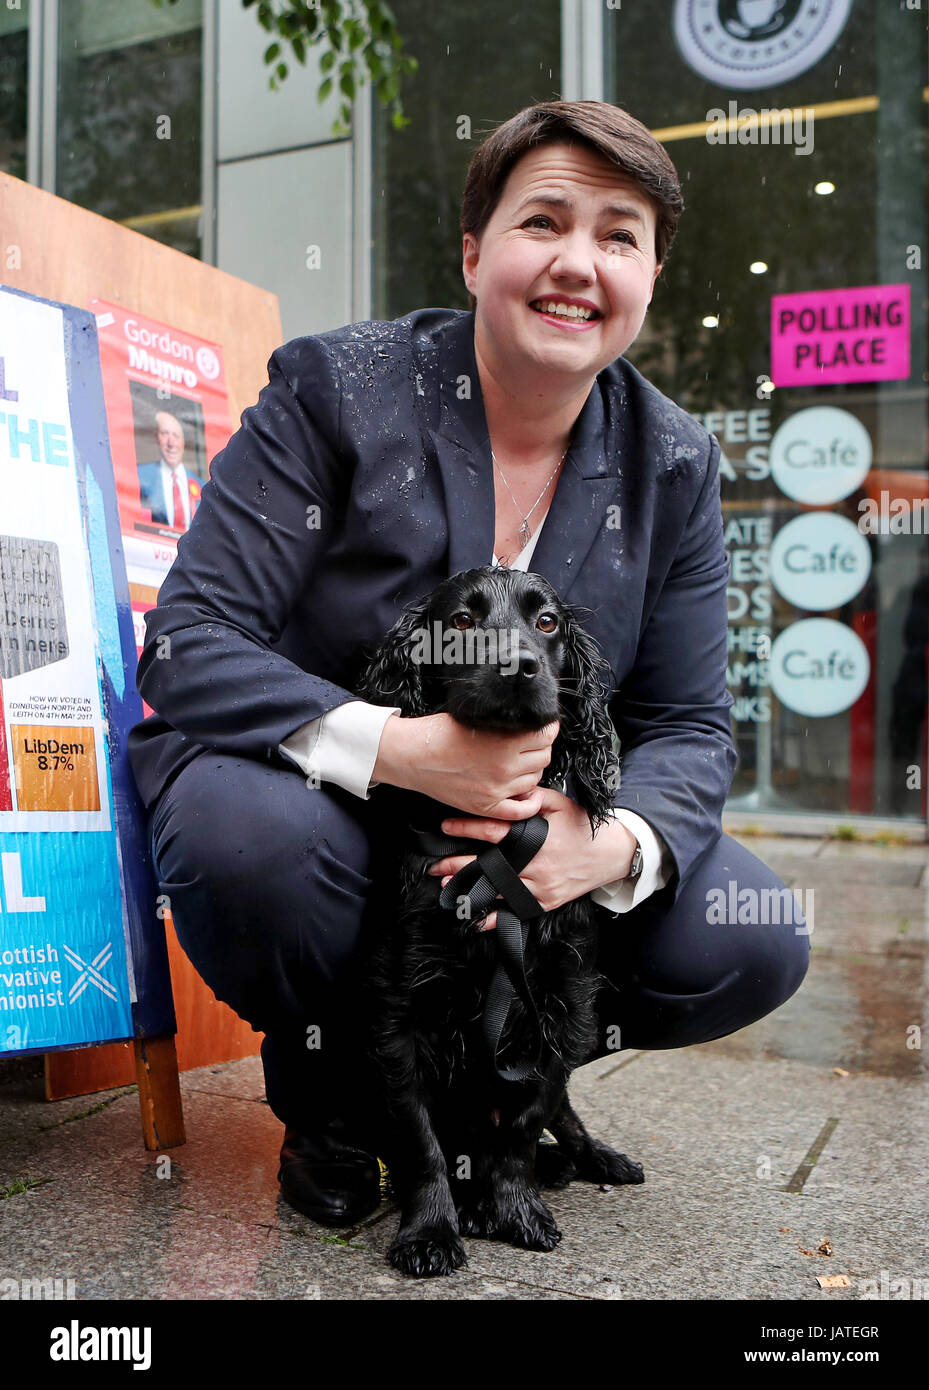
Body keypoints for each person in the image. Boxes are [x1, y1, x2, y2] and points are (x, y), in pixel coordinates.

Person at [128, 100, 809, 1227]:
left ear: (647, 274)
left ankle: (496, 1091)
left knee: (747, 933)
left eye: (619, 234)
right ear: (472, 250)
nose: (577, 263)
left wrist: (601, 843)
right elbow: (188, 639)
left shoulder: (673, 461)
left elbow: (688, 725)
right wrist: (398, 752)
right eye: (542, 220)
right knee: (256, 851)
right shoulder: (336, 390)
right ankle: (336, 1096)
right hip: (318, 804)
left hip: (537, 835)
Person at [137, 410, 200, 530]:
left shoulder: (201, 486)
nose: (171, 443)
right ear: (156, 438)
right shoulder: (140, 475)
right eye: (165, 434)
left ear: (183, 442)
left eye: (176, 435)